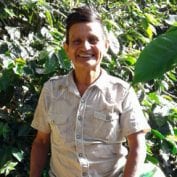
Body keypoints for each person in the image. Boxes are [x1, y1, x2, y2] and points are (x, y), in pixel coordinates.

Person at [30, 6, 153, 177]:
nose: (85, 47)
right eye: (77, 41)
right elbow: (41, 142)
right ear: (66, 48)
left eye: (93, 40)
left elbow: (138, 145)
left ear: (106, 45)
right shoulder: (52, 90)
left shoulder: (121, 92)